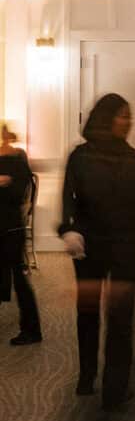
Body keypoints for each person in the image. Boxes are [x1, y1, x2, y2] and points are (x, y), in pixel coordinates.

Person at [60, 95, 135, 408]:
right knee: (87, 313)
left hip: (125, 245)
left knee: (120, 319)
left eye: (130, 116)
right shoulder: (80, 156)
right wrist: (68, 229)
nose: (128, 122)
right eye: (122, 116)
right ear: (105, 118)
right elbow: (68, 197)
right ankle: (87, 376)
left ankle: (115, 389)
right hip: (89, 244)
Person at [0, 131, 42, 345]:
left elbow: (19, 193)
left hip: (9, 226)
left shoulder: (17, 160)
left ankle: (32, 330)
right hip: (6, 225)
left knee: (18, 275)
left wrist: (6, 183)